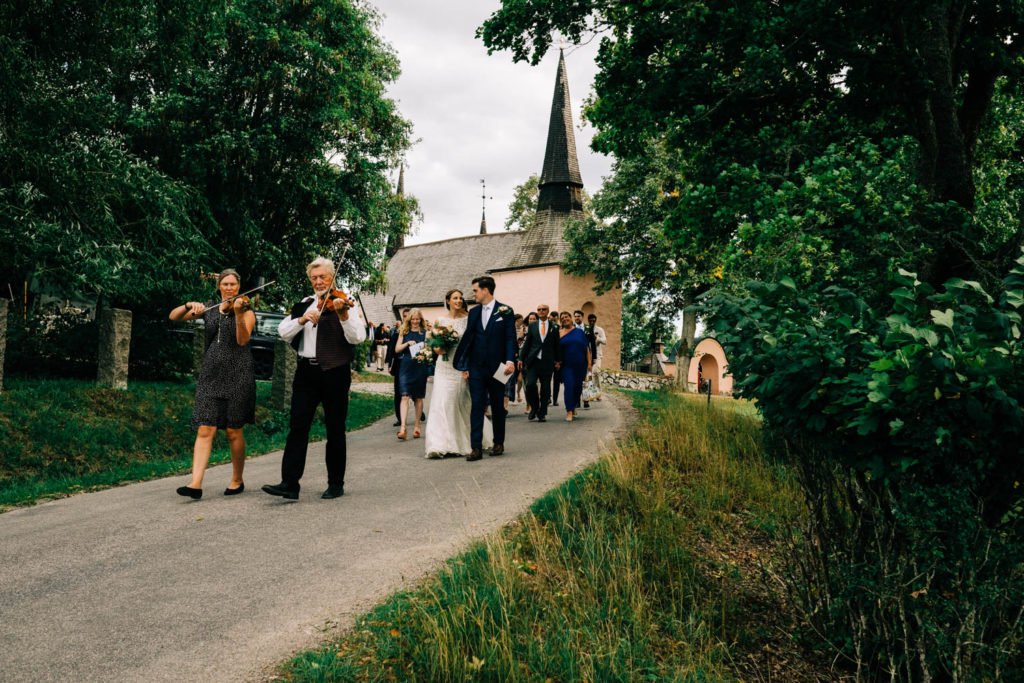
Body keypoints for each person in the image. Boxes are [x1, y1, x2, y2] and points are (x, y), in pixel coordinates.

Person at [262, 256, 366, 500]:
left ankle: (335, 483)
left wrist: (342, 315)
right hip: (306, 372)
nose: (319, 282)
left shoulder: (343, 303)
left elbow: (357, 338)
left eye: (323, 278)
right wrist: (302, 319)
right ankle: (289, 483)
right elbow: (283, 332)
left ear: (332, 278)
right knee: (297, 426)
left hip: (335, 372)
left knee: (335, 428)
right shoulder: (305, 304)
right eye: (315, 278)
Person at [170, 268, 255, 499]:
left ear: (239, 287)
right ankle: (195, 484)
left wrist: (237, 315)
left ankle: (237, 479)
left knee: (232, 430)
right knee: (205, 427)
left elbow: (242, 339)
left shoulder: (246, 309)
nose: (229, 288)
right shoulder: (209, 309)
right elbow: (173, 316)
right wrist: (189, 305)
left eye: (233, 285)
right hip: (211, 375)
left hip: (238, 375)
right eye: (225, 284)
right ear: (219, 286)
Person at [452, 276, 517, 461]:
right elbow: (469, 340)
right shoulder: (473, 313)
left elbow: (510, 338)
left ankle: (498, 442)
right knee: (477, 406)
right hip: (476, 368)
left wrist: (510, 360)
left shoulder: (505, 311)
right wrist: (465, 366)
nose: (473, 294)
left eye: (475, 290)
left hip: (499, 368)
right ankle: (476, 447)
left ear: (485, 290)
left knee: (497, 406)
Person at [424, 289, 493, 458]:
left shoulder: (469, 319)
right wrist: (440, 348)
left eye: (461, 298)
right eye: (455, 298)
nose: (459, 300)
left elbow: (474, 344)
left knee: (463, 402)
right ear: (448, 301)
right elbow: (434, 346)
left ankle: (469, 440)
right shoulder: (440, 320)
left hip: (462, 367)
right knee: (442, 401)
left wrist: (469, 367)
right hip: (444, 366)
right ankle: (439, 444)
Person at [519, 304, 561, 423]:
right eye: (539, 310)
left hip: (547, 362)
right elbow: (527, 344)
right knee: (530, 385)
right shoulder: (532, 326)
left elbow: (557, 345)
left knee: (545, 389)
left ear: (547, 311)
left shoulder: (554, 326)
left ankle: (542, 413)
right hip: (533, 361)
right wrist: (521, 358)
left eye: (543, 309)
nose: (541, 311)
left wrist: (558, 361)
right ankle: (534, 407)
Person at [395, 308, 428, 440]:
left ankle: (417, 426)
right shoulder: (404, 332)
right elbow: (397, 349)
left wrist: (425, 347)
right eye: (413, 319)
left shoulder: (425, 333)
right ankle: (403, 427)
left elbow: (430, 350)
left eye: (417, 319)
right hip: (406, 366)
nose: (415, 321)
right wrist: (407, 343)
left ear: (421, 320)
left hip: (420, 366)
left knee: (418, 397)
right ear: (409, 320)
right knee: (404, 396)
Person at [558, 311, 591, 423]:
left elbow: (586, 348)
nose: (564, 319)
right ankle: (569, 410)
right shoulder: (559, 333)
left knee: (577, 387)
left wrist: (589, 364)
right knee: (569, 386)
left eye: (566, 317)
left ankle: (574, 406)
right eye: (562, 318)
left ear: (571, 318)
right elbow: (555, 350)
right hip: (566, 365)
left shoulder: (580, 332)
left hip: (580, 364)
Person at [386, 308, 410, 426]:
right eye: (404, 316)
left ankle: (419, 411)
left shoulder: (416, 330)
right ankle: (399, 418)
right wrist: (389, 363)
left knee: (413, 391)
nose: (405, 318)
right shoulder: (397, 331)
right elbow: (392, 348)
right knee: (398, 392)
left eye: (407, 315)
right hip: (399, 364)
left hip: (412, 364)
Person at [504, 314, 525, 409]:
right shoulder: (508, 329)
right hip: (506, 358)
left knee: (515, 380)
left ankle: (516, 395)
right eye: (520, 320)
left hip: (516, 357)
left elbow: (517, 343)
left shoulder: (522, 330)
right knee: (506, 381)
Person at [586, 314, 607, 400]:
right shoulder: (586, 329)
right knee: (590, 374)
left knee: (596, 372)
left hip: (597, 355)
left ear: (595, 321)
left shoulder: (600, 330)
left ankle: (598, 393)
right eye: (590, 321)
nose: (591, 322)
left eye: (593, 321)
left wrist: (597, 338)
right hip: (587, 354)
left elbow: (605, 341)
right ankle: (591, 393)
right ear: (588, 321)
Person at [548, 310, 562, 406]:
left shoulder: (560, 329)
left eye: (554, 319)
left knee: (556, 380)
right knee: (547, 379)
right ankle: (548, 397)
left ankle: (555, 399)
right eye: (551, 319)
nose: (553, 321)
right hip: (549, 357)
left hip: (557, 358)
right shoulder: (547, 328)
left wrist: (559, 360)